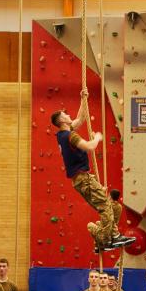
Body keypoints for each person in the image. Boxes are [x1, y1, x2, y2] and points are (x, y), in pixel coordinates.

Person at [51, 89, 135, 251]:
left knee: (113, 207)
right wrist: (96, 137)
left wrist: (83, 99)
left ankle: (107, 237)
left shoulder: (63, 134)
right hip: (84, 179)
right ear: (62, 120)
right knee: (105, 206)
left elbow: (80, 119)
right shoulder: (70, 137)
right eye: (65, 114)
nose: (69, 115)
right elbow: (89, 146)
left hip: (82, 179)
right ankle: (105, 238)